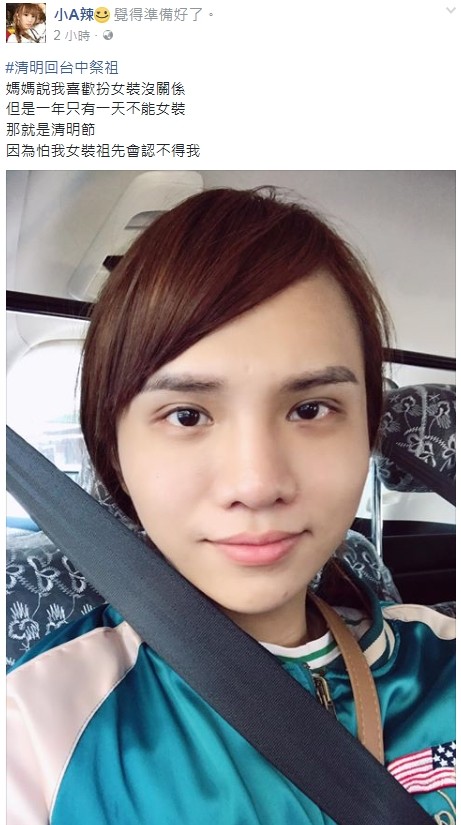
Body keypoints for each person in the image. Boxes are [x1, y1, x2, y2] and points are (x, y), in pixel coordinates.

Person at [7, 188, 455, 824]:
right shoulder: (38, 728)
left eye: (311, 409)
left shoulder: (445, 660)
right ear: (115, 450)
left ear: (367, 429)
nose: (257, 483)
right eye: (187, 415)